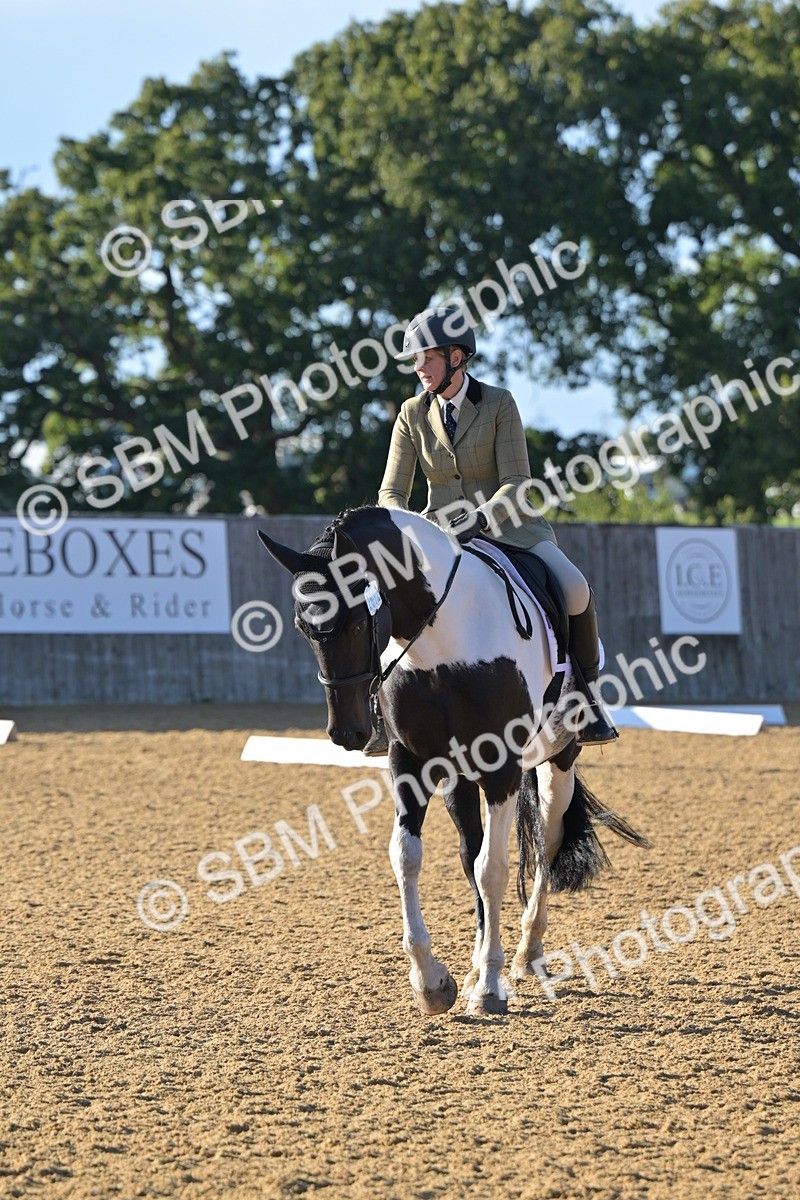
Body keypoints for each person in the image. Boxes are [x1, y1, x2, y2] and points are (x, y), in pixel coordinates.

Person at [364, 305, 618, 756]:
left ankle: (586, 700)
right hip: (437, 535)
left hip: (510, 529)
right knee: (374, 598)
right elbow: (390, 493)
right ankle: (379, 713)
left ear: (457, 357)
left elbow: (518, 483)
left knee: (576, 589)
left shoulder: (499, 403)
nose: (418, 367)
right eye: (416, 358)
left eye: (426, 356)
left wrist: (481, 518)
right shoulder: (410, 413)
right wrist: (404, 532)